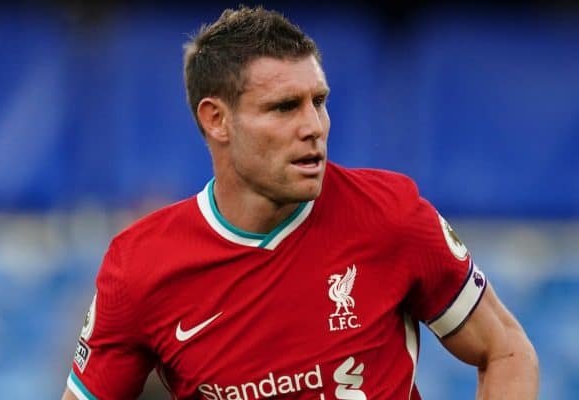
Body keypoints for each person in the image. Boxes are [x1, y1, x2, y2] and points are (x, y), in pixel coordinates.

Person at [62, 5, 539, 400]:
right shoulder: (139, 266)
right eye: (285, 107)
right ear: (217, 121)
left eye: (320, 101)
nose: (314, 126)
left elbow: (505, 350)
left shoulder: (392, 215)